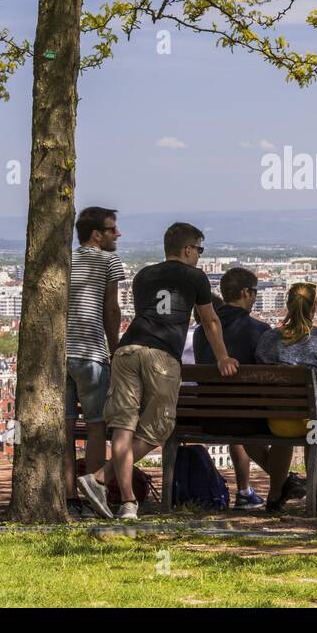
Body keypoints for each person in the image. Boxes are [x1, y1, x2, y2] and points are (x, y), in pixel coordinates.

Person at [78, 222, 238, 521]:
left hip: (128, 350)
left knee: (124, 426)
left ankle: (126, 503)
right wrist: (223, 357)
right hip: (162, 355)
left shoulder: (144, 276)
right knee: (159, 428)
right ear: (187, 249)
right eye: (199, 250)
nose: (200, 256)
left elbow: (145, 313)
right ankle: (100, 478)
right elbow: (210, 321)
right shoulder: (196, 277)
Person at [254, 282, 317, 512]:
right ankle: (313, 495)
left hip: (280, 423)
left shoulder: (268, 340)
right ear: (315, 307)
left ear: (287, 305)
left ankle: (274, 495)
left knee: (285, 438)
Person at [192, 267, 272, 510]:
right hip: (250, 420)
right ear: (246, 292)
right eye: (255, 292)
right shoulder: (260, 330)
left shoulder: (200, 332)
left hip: (210, 417)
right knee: (264, 426)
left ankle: (284, 483)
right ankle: (282, 484)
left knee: (242, 420)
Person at [65, 205, 123, 516]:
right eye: (113, 229)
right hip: (90, 353)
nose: (118, 234)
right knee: (97, 425)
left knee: (66, 429)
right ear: (97, 235)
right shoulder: (108, 261)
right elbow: (111, 310)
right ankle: (94, 490)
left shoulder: (65, 260)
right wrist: (115, 349)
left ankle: (69, 495)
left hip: (60, 356)